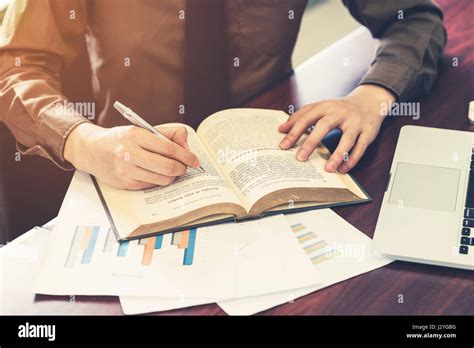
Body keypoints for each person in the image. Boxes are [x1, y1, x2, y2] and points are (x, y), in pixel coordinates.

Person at [0, 0, 446, 190]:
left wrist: (372, 95)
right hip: (132, 169)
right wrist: (83, 141)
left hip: (273, 158)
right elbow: (14, 64)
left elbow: (415, 18)